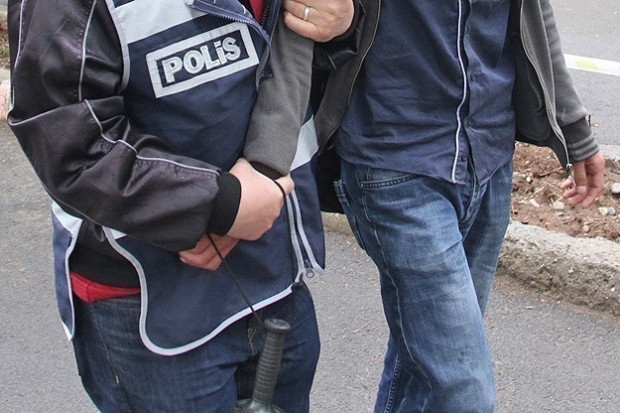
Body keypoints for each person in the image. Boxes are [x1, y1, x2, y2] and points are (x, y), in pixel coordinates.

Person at [7, 0, 353, 411]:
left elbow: (296, 57)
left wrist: (341, 26)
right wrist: (217, 204)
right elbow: (68, 137)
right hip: (147, 300)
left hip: (276, 275)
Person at [310, 0, 606, 411]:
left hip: (489, 160)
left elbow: (534, 15)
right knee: (464, 391)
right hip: (394, 161)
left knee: (426, 366)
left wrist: (574, 131)